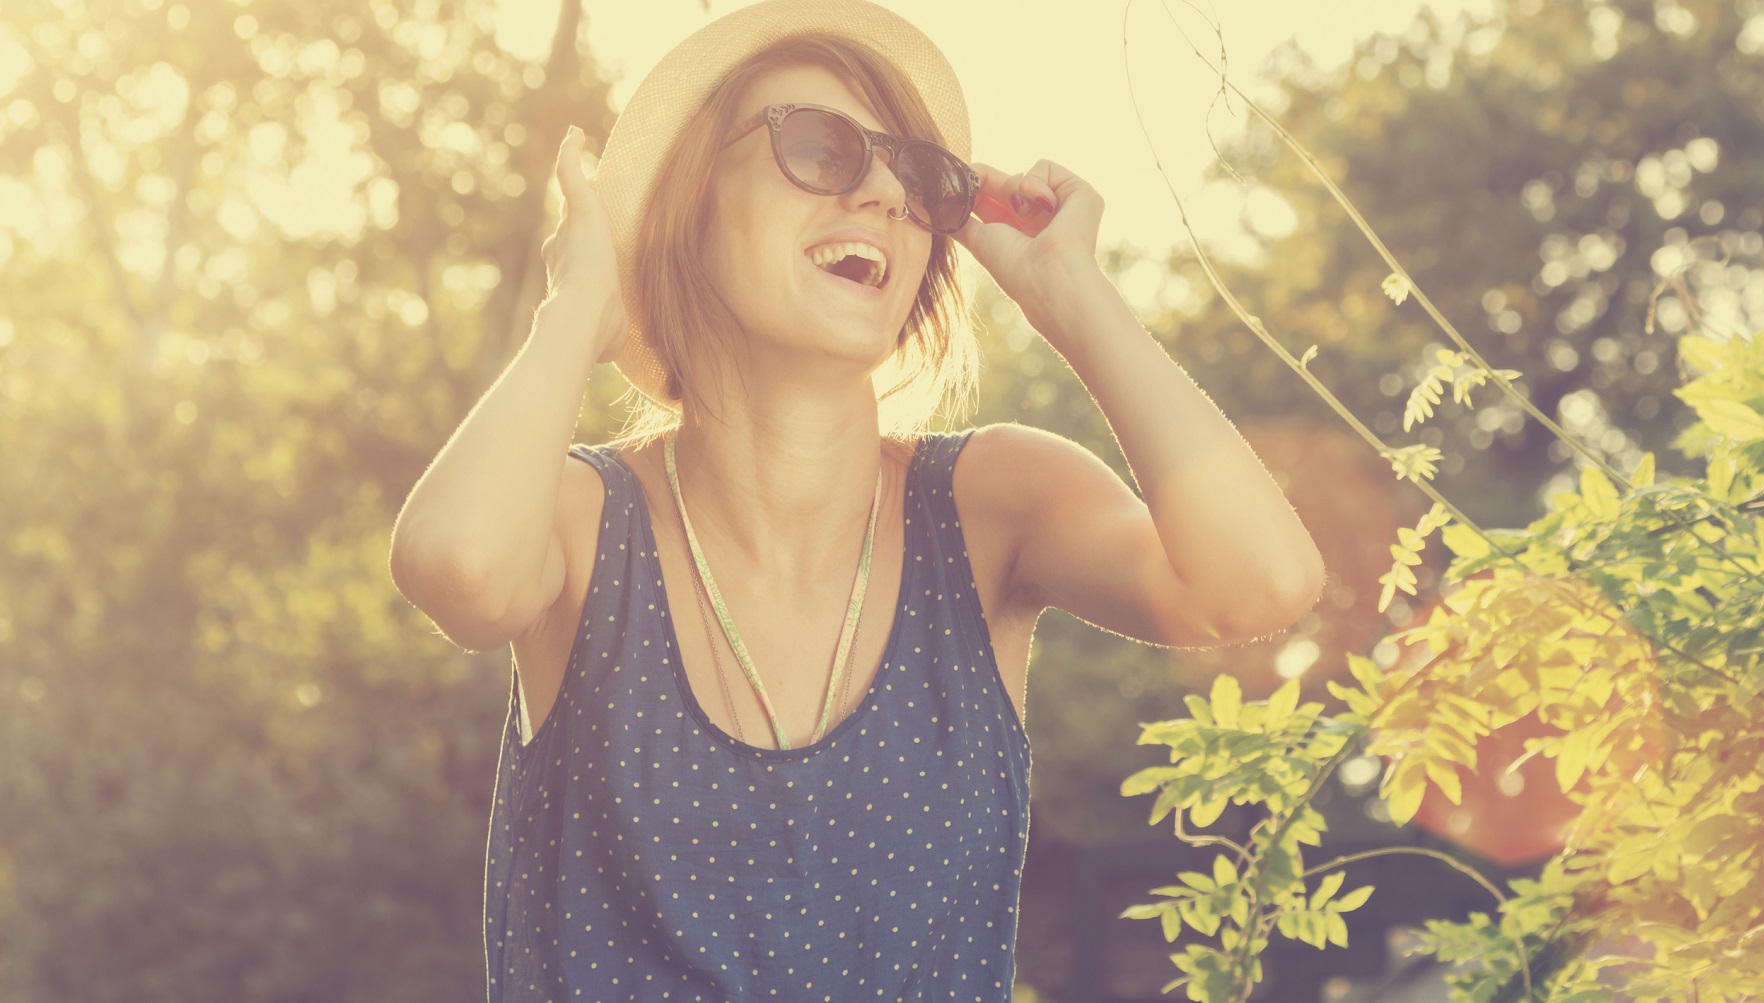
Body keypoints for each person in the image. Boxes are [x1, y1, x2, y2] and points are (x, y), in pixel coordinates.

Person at [387, 0, 1325, 998]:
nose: (884, 193)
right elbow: (460, 571)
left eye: (918, 176)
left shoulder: (992, 504)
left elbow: (1260, 584)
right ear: (688, 206)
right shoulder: (583, 521)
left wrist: (1070, 295)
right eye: (819, 149)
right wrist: (576, 306)